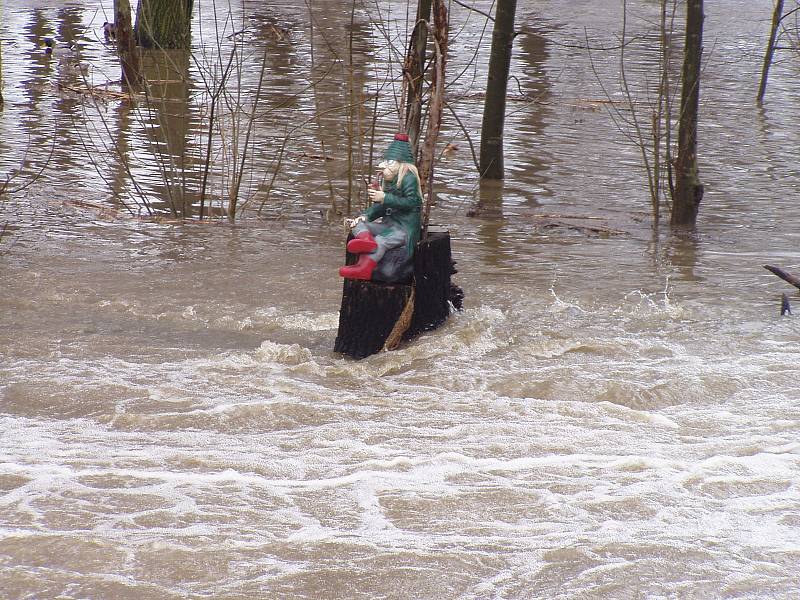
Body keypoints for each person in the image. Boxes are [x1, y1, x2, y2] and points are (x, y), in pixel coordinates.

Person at [339, 133, 423, 282]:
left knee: (381, 240)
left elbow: (412, 202)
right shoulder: (390, 182)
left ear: (401, 165)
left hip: (403, 229)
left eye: (389, 162)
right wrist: (366, 215)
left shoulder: (408, 178)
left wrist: (384, 197)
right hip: (387, 225)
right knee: (358, 223)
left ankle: (364, 268)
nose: (384, 166)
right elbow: (383, 207)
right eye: (385, 161)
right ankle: (366, 243)